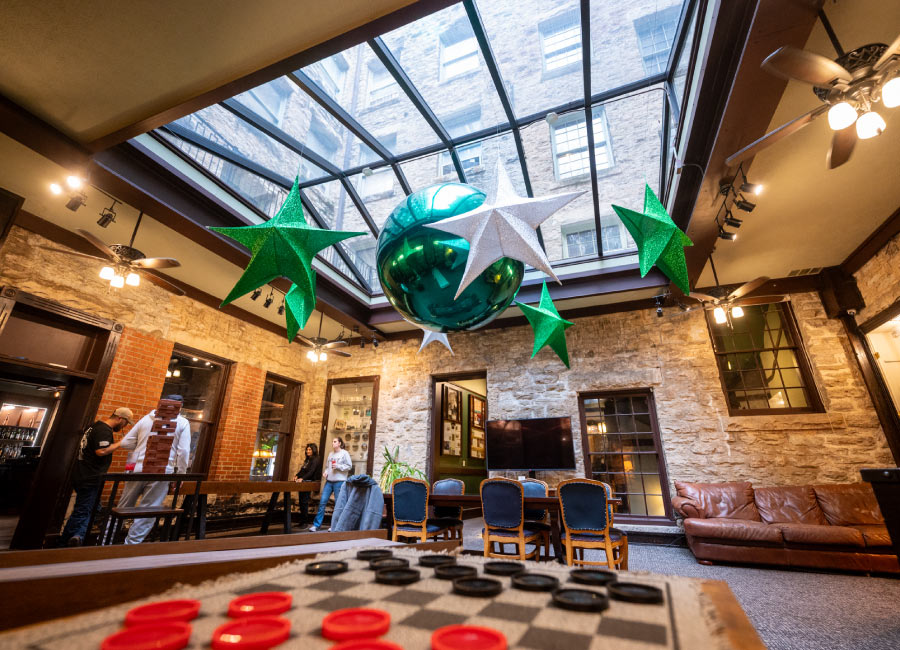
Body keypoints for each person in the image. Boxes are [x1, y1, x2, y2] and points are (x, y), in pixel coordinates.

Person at [113, 395, 191, 544]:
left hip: (137, 469)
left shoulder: (146, 419)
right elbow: (184, 452)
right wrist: (180, 475)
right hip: (162, 472)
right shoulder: (182, 422)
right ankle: (130, 546)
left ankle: (105, 541)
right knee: (148, 511)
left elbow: (125, 443)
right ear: (179, 406)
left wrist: (141, 447)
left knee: (122, 508)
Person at [59, 407, 135, 546]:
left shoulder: (95, 426)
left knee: (94, 508)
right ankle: (71, 540)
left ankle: (75, 536)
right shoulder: (103, 430)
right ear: (120, 418)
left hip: (84, 474)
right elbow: (101, 451)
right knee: (83, 511)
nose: (124, 426)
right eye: (125, 423)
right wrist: (121, 443)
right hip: (90, 477)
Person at [309, 437, 352, 532]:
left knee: (338, 504)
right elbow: (327, 467)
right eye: (332, 441)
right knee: (322, 502)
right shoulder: (330, 454)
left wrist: (338, 466)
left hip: (339, 481)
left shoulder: (344, 453)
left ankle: (335, 525)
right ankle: (316, 525)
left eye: (335, 441)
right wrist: (325, 472)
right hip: (329, 482)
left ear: (339, 443)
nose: (333, 443)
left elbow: (349, 466)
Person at [293, 443, 320, 524]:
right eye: (307, 449)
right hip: (303, 482)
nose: (308, 451)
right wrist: (297, 475)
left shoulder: (315, 459)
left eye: (310, 450)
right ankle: (302, 521)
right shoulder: (307, 459)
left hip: (308, 482)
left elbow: (311, 472)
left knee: (304, 502)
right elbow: (302, 470)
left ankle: (304, 522)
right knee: (301, 502)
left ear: (313, 450)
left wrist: (302, 478)